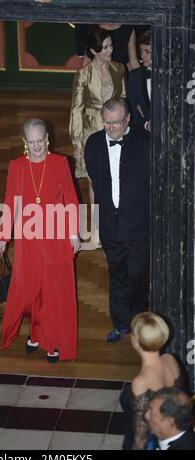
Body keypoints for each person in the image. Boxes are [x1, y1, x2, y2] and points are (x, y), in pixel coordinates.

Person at [0, 118, 80, 363]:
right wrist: (4, 236)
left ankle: (54, 341)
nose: (36, 147)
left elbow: (71, 200)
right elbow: (10, 202)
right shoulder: (16, 166)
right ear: (24, 142)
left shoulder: (59, 162)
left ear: (47, 139)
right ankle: (35, 333)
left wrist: (73, 233)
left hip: (56, 235)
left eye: (40, 141)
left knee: (55, 292)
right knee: (30, 290)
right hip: (28, 238)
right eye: (31, 143)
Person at [85, 97, 150, 343]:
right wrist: (94, 222)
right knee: (117, 275)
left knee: (137, 277)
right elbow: (93, 184)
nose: (110, 128)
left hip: (138, 227)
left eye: (116, 123)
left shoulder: (145, 144)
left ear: (128, 120)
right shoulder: (93, 144)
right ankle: (120, 324)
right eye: (106, 123)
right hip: (109, 226)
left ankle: (140, 325)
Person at [69, 27, 126, 248]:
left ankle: (117, 223)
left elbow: (123, 100)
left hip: (116, 129)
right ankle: (98, 230)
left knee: (117, 176)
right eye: (105, 48)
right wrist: (77, 143)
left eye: (111, 46)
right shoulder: (83, 75)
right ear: (93, 51)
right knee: (95, 181)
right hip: (92, 132)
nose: (110, 50)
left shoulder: (119, 68)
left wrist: (125, 127)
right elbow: (76, 110)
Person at [119, 312, 191, 450]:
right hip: (175, 433)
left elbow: (140, 434)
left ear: (136, 340)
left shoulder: (141, 381)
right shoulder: (171, 360)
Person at [74, 23, 140, 71]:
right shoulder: (93, 28)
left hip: (119, 79)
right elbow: (87, 61)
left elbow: (134, 62)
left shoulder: (128, 29)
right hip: (98, 78)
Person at [127, 30, 152, 131]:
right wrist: (146, 125)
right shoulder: (135, 77)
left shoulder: (174, 76)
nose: (142, 56)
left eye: (147, 51)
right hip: (144, 136)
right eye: (141, 51)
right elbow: (131, 111)